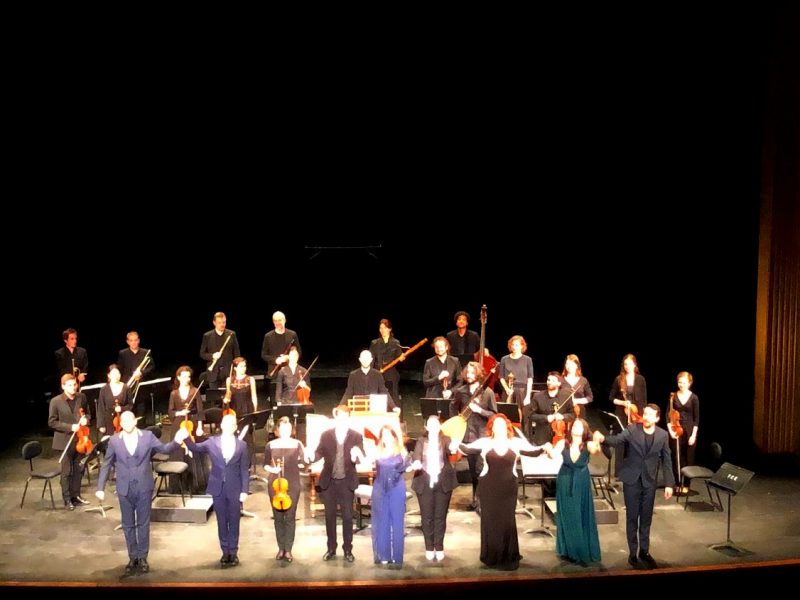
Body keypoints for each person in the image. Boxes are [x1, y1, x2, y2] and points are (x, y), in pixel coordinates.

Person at [96, 411, 185, 575]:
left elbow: (164, 449)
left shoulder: (147, 436)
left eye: (130, 420)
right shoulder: (114, 440)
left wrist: (177, 441)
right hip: (124, 488)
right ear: (121, 424)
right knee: (128, 525)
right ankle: (133, 557)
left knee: (143, 524)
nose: (127, 424)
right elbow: (106, 464)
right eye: (124, 422)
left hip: (144, 487)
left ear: (135, 421)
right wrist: (100, 487)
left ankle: (143, 557)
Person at [459, 413, 548, 570]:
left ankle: (508, 555)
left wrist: (545, 447)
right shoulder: (485, 442)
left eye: (502, 424)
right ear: (492, 428)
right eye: (496, 424)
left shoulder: (515, 443)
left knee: (507, 521)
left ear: (507, 427)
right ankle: (491, 556)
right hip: (488, 488)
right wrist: (454, 442)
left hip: (508, 488)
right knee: (490, 521)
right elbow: (467, 449)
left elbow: (533, 452)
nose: (499, 427)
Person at [595, 403, 674, 569]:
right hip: (631, 480)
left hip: (649, 481)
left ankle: (644, 551)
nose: (646, 417)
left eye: (650, 415)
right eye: (645, 414)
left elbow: (667, 460)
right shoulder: (633, 430)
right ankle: (632, 554)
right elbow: (617, 440)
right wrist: (603, 438)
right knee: (632, 518)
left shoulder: (663, 435)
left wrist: (669, 483)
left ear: (657, 418)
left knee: (646, 518)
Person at [183, 413, 250, 567]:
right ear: (222, 425)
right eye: (227, 423)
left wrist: (244, 490)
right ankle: (225, 552)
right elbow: (195, 448)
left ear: (235, 427)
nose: (230, 426)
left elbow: (244, 469)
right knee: (221, 520)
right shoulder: (212, 442)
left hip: (235, 488)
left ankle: (233, 552)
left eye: (233, 424)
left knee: (234, 520)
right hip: (218, 487)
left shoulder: (242, 445)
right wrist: (186, 437)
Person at [308, 405, 365, 562]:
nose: (342, 420)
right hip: (329, 482)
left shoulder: (356, 436)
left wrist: (355, 456)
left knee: (347, 517)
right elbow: (319, 452)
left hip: (346, 482)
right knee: (329, 517)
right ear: (336, 418)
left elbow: (360, 456)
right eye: (339, 417)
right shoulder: (326, 435)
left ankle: (348, 549)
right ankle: (331, 548)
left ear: (348, 418)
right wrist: (311, 456)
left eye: (344, 417)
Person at [549, 418, 601, 565]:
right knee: (567, 515)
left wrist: (597, 439)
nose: (576, 427)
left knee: (580, 514)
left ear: (585, 430)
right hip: (565, 480)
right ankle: (568, 551)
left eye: (579, 426)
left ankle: (580, 550)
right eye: (574, 425)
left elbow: (595, 450)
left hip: (581, 482)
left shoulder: (588, 444)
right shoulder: (563, 443)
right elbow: (553, 455)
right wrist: (548, 448)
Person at [449, 361, 497, 510]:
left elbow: (494, 415)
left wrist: (479, 410)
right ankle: (476, 501)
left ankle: (482, 502)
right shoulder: (461, 391)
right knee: (473, 472)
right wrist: (457, 423)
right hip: (468, 436)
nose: (469, 375)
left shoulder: (487, 393)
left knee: (481, 469)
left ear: (479, 374)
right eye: (467, 373)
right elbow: (452, 408)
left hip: (482, 436)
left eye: (472, 373)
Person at [410, 415, 458, 561]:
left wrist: (453, 447)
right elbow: (416, 456)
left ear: (439, 426)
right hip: (425, 481)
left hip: (443, 482)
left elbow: (451, 449)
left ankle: (439, 546)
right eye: (431, 424)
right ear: (426, 427)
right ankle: (429, 547)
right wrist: (416, 462)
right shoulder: (421, 441)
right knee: (427, 517)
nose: (434, 427)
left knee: (440, 516)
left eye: (436, 424)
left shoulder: (445, 439)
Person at [264, 416, 308, 563]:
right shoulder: (270, 445)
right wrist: (272, 469)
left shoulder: (297, 444)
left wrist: (304, 462)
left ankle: (288, 549)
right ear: (278, 430)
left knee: (290, 517)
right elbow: (265, 464)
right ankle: (280, 548)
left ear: (291, 430)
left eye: (288, 429)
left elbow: (303, 463)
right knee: (277, 517)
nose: (285, 431)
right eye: (283, 429)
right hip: (275, 484)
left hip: (292, 483)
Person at [48, 373, 91, 510]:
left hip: (80, 440)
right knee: (66, 472)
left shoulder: (81, 397)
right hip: (64, 442)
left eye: (74, 384)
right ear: (63, 386)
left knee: (79, 469)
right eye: (70, 385)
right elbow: (52, 422)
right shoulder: (55, 401)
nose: (73, 387)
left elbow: (88, 413)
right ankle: (67, 499)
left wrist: (86, 420)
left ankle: (75, 495)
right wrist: (70, 427)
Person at [369, 425, 410, 566]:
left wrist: (412, 466)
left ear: (393, 436)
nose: (386, 437)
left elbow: (407, 466)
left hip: (396, 488)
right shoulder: (377, 451)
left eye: (389, 434)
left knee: (397, 522)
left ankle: (397, 557)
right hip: (380, 488)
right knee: (382, 521)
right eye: (384, 435)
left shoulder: (401, 451)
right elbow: (367, 462)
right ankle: (384, 555)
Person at [167, 365, 207, 494]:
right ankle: (178, 487)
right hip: (178, 426)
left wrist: (200, 427)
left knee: (193, 454)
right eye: (184, 376)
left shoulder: (195, 391)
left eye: (188, 377)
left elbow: (200, 411)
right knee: (178, 453)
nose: (187, 379)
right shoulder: (174, 393)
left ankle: (194, 486)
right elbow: (170, 412)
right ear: (178, 377)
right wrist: (180, 412)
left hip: (192, 424)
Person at [609, 353, 647, 476]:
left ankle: (633, 470)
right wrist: (623, 403)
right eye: (625, 364)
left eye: (629, 364)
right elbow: (611, 398)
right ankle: (619, 472)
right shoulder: (619, 379)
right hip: (621, 414)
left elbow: (644, 400)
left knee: (634, 443)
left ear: (635, 364)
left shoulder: (641, 379)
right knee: (620, 442)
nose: (627, 366)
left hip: (636, 415)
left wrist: (643, 416)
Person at [341, 350, 401, 414]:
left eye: (367, 358)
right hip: (358, 409)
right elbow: (348, 392)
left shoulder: (377, 374)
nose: (365, 361)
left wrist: (393, 407)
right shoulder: (353, 375)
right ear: (360, 359)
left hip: (374, 409)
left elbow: (384, 391)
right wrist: (340, 406)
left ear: (371, 360)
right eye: (363, 358)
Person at [668, 371, 700, 491]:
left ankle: (686, 484)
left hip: (689, 430)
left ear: (689, 383)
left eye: (684, 383)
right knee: (676, 457)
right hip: (676, 429)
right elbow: (668, 415)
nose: (681, 385)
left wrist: (693, 435)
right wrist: (671, 431)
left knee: (689, 458)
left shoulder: (694, 398)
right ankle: (677, 483)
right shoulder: (673, 396)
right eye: (679, 382)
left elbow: (696, 419)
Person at [261, 311, 301, 403]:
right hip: (274, 373)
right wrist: (276, 360)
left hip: (290, 372)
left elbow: (299, 352)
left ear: (285, 320)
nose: (278, 322)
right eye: (275, 321)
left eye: (280, 320)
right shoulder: (268, 336)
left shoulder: (292, 334)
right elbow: (264, 355)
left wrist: (288, 357)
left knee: (290, 400)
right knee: (275, 401)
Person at [225, 357, 258, 461]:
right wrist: (226, 400)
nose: (244, 368)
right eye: (241, 366)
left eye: (244, 366)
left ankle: (247, 462)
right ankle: (235, 460)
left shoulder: (250, 379)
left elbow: (254, 396)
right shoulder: (229, 380)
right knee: (234, 436)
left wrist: (255, 411)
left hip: (247, 410)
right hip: (234, 411)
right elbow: (228, 396)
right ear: (235, 368)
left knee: (247, 437)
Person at [498, 335, 534, 430]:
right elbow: (501, 377)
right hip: (508, 390)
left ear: (522, 346)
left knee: (521, 417)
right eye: (513, 344)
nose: (514, 347)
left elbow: (530, 379)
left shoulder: (527, 360)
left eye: (517, 345)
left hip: (522, 391)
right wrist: (507, 389)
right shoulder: (504, 359)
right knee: (506, 415)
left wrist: (528, 396)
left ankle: (520, 434)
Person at [117, 331, 154, 420]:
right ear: (128, 342)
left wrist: (141, 373)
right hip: (128, 386)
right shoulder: (123, 353)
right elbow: (120, 369)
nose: (133, 342)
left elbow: (152, 367)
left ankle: (141, 426)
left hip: (141, 386)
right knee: (129, 410)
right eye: (131, 340)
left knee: (141, 411)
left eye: (135, 340)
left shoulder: (146, 352)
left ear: (139, 340)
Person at [369, 319, 404, 412]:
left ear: (390, 329)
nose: (382, 330)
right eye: (381, 328)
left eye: (385, 328)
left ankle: (395, 414)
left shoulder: (395, 342)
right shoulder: (374, 343)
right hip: (378, 372)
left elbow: (400, 357)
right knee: (377, 396)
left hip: (391, 374)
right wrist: (371, 373)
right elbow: (371, 360)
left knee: (393, 396)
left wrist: (401, 358)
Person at [200, 312, 241, 391]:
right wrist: (212, 356)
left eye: (224, 322)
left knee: (229, 396)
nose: (222, 325)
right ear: (214, 323)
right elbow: (202, 354)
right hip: (213, 373)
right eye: (219, 323)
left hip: (229, 373)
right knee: (215, 397)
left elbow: (237, 354)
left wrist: (236, 369)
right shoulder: (207, 336)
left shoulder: (231, 334)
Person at [96, 364, 132, 435]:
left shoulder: (126, 388)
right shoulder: (104, 389)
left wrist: (121, 408)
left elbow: (131, 405)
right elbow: (101, 408)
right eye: (113, 374)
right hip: (108, 422)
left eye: (118, 373)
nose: (116, 376)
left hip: (123, 421)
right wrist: (101, 425)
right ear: (109, 375)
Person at [561, 354, 594, 418]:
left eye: (572, 364)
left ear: (577, 365)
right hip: (564, 413)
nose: (569, 366)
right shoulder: (560, 380)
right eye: (567, 364)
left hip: (579, 412)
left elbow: (590, 397)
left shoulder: (583, 380)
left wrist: (576, 401)